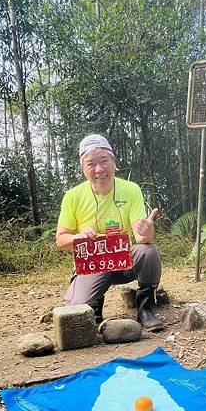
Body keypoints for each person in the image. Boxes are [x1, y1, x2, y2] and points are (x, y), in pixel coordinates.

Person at [56, 134, 164, 331]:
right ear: (83, 168)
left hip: (123, 261)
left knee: (149, 251)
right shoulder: (72, 196)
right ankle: (94, 305)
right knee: (76, 313)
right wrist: (78, 238)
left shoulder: (131, 190)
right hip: (92, 264)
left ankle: (145, 309)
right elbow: (61, 240)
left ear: (114, 163)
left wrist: (147, 231)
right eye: (91, 164)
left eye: (104, 161)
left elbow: (141, 239)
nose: (99, 169)